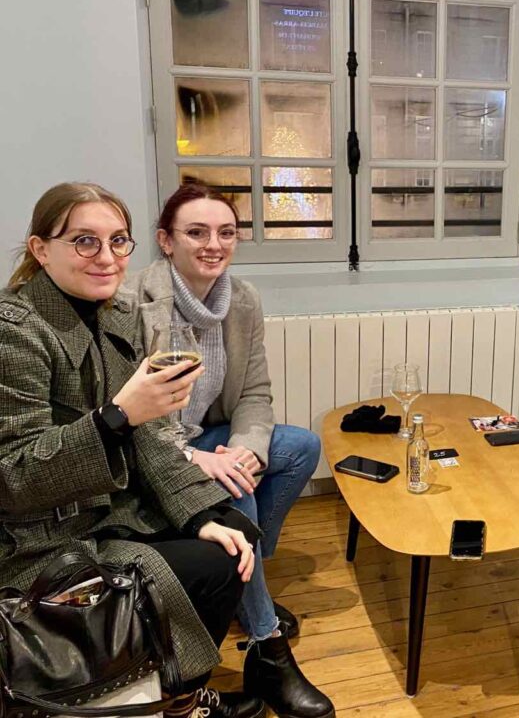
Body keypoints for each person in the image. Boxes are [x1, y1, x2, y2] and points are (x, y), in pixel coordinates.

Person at [0, 182, 265, 718]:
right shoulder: (16, 333)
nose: (106, 257)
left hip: (109, 507)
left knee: (235, 532)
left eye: (118, 241)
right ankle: (171, 694)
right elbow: (14, 476)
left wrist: (200, 514)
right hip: (40, 537)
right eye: (85, 241)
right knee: (211, 567)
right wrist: (117, 415)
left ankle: (180, 695)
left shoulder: (116, 313)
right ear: (40, 249)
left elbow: (152, 434)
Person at [125, 183, 333, 718]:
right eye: (196, 232)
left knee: (300, 447)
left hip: (212, 437)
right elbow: (131, 413)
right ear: (166, 241)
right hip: (156, 450)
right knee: (235, 495)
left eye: (226, 233)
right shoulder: (131, 301)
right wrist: (200, 460)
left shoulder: (243, 299)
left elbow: (255, 394)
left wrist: (243, 450)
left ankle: (243, 579)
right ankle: (266, 642)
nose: (213, 244)